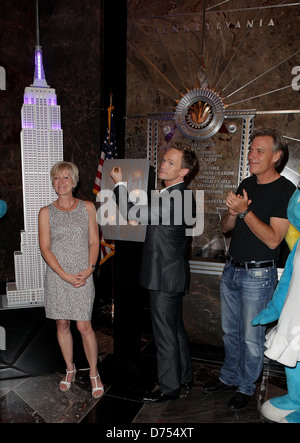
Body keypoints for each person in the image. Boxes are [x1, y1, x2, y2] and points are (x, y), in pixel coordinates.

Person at [202, 128, 295, 411]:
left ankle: (245, 386)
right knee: (230, 333)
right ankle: (229, 376)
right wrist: (232, 213)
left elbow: (273, 239)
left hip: (258, 275)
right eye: (251, 149)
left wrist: (245, 212)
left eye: (259, 151)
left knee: (251, 337)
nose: (252, 156)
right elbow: (226, 229)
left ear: (276, 156)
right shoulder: (246, 183)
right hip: (232, 269)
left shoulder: (286, 190)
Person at [110, 141, 199, 402]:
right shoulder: (177, 195)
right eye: (164, 159)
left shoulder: (175, 198)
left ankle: (169, 387)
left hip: (164, 275)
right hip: (170, 273)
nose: (163, 164)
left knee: (164, 333)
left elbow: (132, 213)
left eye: (171, 163)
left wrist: (118, 183)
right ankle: (184, 376)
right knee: (174, 329)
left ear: (184, 172)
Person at [38, 161, 103, 399]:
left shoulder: (87, 207)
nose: (61, 182)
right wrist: (63, 275)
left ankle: (94, 373)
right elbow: (45, 248)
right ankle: (70, 369)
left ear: (74, 181)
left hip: (83, 275)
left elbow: (94, 242)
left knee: (84, 326)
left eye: (66, 177)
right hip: (58, 277)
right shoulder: (46, 212)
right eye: (57, 178)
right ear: (53, 182)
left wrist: (89, 269)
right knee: (62, 324)